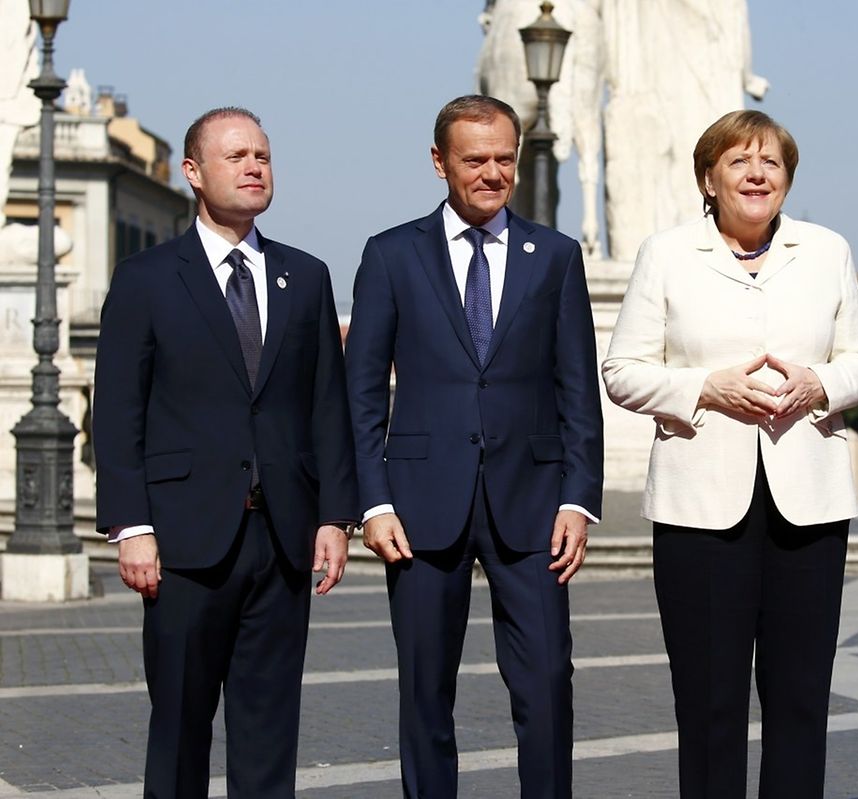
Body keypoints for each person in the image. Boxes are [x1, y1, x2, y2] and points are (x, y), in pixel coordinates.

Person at [602, 109, 858, 799]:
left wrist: (820, 383)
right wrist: (706, 387)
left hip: (809, 505)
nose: (757, 173)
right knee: (708, 704)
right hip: (700, 508)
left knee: (799, 701)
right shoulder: (666, 255)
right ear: (709, 177)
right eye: (739, 161)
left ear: (787, 179)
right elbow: (623, 371)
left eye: (772, 163)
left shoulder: (827, 251)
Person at [93, 107, 358, 798]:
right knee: (179, 726)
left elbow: (325, 403)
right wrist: (133, 526)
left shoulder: (305, 276)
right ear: (193, 172)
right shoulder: (148, 278)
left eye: (263, 156)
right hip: (183, 541)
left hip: (282, 538)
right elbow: (119, 409)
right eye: (237, 155)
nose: (254, 167)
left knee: (270, 727)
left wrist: (335, 515)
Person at [344, 94, 604, 799]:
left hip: (535, 503)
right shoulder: (390, 255)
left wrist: (579, 498)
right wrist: (372, 500)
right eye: (475, 159)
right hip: (421, 508)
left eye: (504, 158)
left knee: (549, 683)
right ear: (439, 162)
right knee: (425, 691)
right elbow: (362, 390)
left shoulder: (554, 257)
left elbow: (578, 386)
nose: (492, 173)